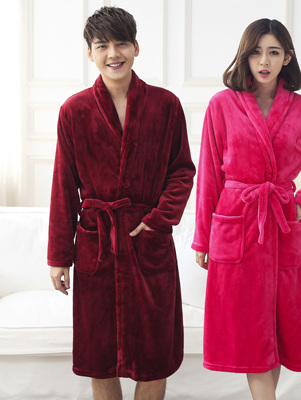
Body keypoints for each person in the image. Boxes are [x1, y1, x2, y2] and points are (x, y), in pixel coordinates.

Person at [192, 18, 301, 400]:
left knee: (276, 331)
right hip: (236, 224)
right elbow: (209, 174)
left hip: (280, 226)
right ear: (245, 57)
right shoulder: (222, 105)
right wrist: (202, 239)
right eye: (256, 52)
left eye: (273, 52)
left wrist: (300, 203)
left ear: (287, 58)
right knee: (249, 331)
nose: (264, 61)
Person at [47, 6, 195, 400]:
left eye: (122, 43)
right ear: (90, 53)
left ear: (136, 47)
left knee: (155, 355)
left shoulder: (166, 105)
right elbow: (63, 186)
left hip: (149, 242)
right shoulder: (74, 111)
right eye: (102, 46)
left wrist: (158, 220)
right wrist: (59, 256)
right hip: (97, 244)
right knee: (100, 356)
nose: (113, 54)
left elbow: (182, 171)